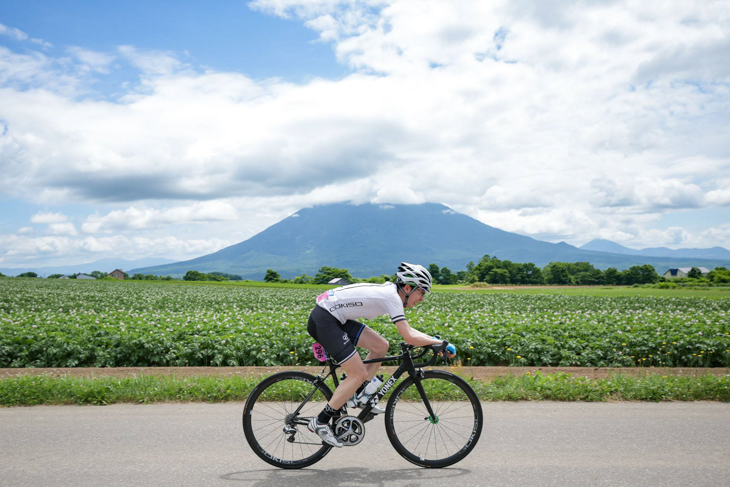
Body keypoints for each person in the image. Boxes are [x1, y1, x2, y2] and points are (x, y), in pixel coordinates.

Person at [306, 262, 456, 447]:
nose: (422, 298)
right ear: (408, 288)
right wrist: (436, 343)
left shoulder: (393, 294)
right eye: (422, 292)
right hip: (325, 319)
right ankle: (320, 421)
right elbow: (408, 336)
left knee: (380, 346)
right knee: (358, 374)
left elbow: (409, 330)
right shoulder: (392, 297)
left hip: (336, 316)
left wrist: (435, 341)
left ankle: (359, 394)